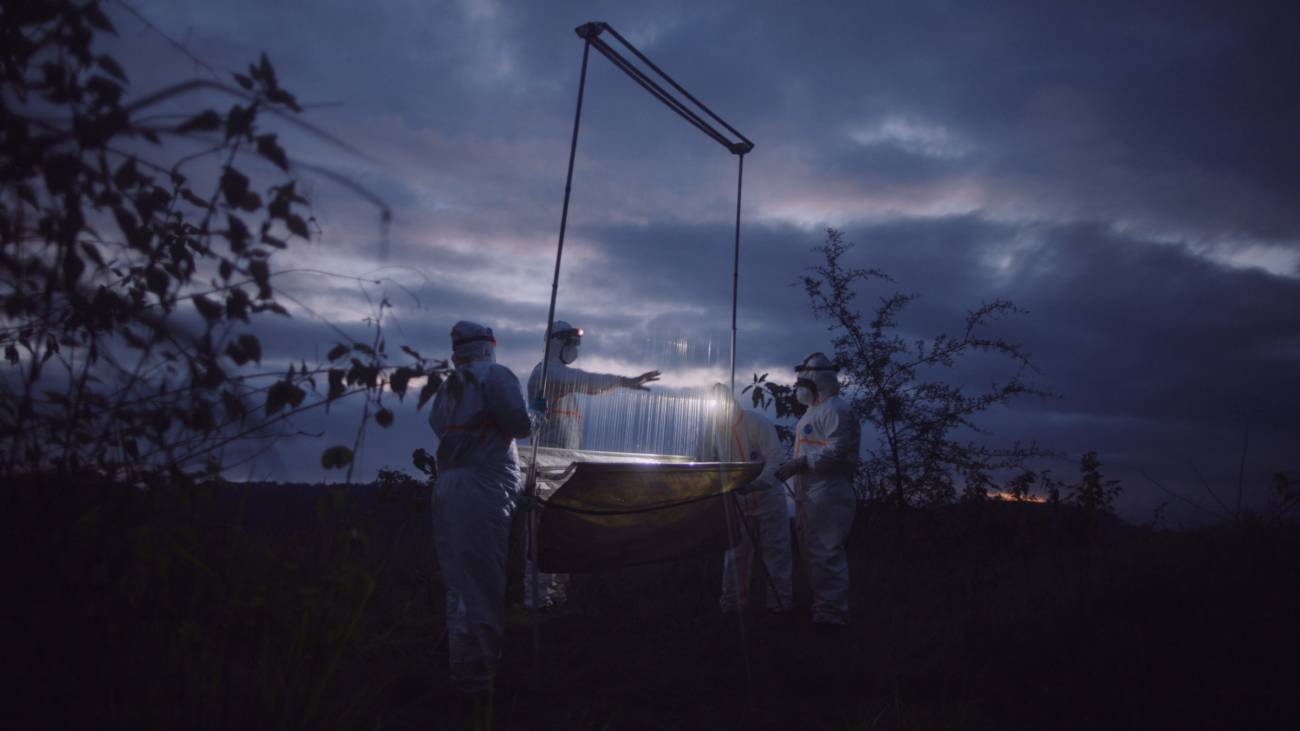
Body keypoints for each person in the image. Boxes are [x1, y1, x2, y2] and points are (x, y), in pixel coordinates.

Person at [523, 320, 661, 609]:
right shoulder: (546, 374)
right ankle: (538, 601)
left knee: (560, 533)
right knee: (542, 534)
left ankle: (556, 598)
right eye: (572, 344)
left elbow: (585, 385)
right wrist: (624, 381)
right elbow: (587, 381)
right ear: (558, 344)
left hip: (561, 471)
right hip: (546, 471)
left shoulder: (564, 388)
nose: (575, 350)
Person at [428, 321, 532, 695]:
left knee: (459, 580)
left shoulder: (449, 386)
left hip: (448, 487)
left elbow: (438, 425)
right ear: (489, 346)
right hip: (483, 489)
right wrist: (535, 413)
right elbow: (519, 425)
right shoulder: (496, 376)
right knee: (484, 579)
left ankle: (463, 666)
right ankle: (479, 682)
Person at [774, 352, 860, 629]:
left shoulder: (837, 410)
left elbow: (836, 452)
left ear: (816, 382)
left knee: (826, 553)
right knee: (814, 552)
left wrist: (800, 463)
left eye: (803, 382)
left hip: (828, 492)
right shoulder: (815, 412)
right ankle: (821, 610)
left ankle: (832, 618)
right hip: (811, 492)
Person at [697, 382, 793, 616]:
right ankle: (732, 607)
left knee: (776, 554)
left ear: (731, 402)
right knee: (734, 556)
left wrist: (756, 484)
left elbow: (776, 460)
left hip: (768, 500)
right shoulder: (712, 431)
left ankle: (779, 607)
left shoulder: (757, 423)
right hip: (737, 503)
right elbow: (703, 463)